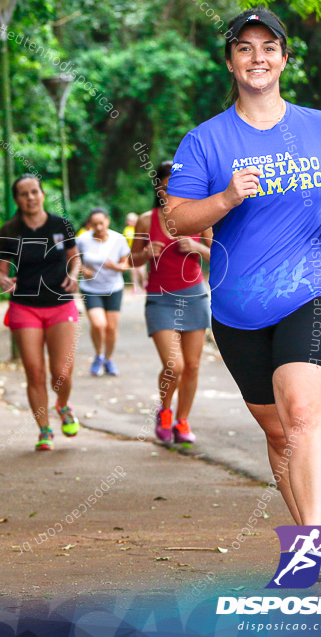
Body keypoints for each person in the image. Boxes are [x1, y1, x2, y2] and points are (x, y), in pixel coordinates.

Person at [165, 7, 321, 582]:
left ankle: (309, 548)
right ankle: (311, 540)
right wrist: (225, 198)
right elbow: (177, 220)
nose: (258, 57)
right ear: (229, 61)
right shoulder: (205, 141)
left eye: (268, 47)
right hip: (237, 308)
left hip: (320, 284)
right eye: (245, 48)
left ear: (284, 57)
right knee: (279, 431)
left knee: (300, 408)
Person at [0, 176, 82, 451]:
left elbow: (74, 257)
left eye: (34, 192)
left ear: (42, 194)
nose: (30, 197)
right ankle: (44, 430)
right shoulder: (9, 230)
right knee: (34, 372)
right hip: (25, 306)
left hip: (60, 304)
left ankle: (63, 406)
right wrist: (3, 281)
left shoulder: (61, 225)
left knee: (61, 374)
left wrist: (74, 274)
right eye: (23, 194)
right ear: (17, 199)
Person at [130, 161, 212, 446]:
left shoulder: (202, 217)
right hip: (160, 299)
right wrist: (145, 254)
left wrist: (198, 247)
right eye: (165, 186)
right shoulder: (145, 220)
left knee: (192, 366)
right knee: (173, 365)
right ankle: (164, 411)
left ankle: (182, 419)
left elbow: (219, 254)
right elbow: (131, 260)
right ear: (159, 189)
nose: (170, 191)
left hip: (194, 296)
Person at [75, 208, 131, 376]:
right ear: (89, 225)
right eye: (95, 224)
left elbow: (126, 265)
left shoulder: (118, 239)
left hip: (113, 288)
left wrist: (114, 266)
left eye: (101, 223)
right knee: (99, 325)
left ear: (107, 221)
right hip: (91, 288)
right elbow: (73, 261)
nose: (98, 227)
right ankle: (98, 355)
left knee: (111, 328)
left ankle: (108, 359)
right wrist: (83, 270)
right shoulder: (82, 240)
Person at [123, 212, 147, 293]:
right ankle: (135, 287)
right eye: (129, 220)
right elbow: (125, 242)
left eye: (132, 220)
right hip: (130, 252)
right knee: (133, 271)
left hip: (140, 252)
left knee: (141, 270)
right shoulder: (127, 230)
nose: (130, 222)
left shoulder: (140, 228)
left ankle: (144, 283)